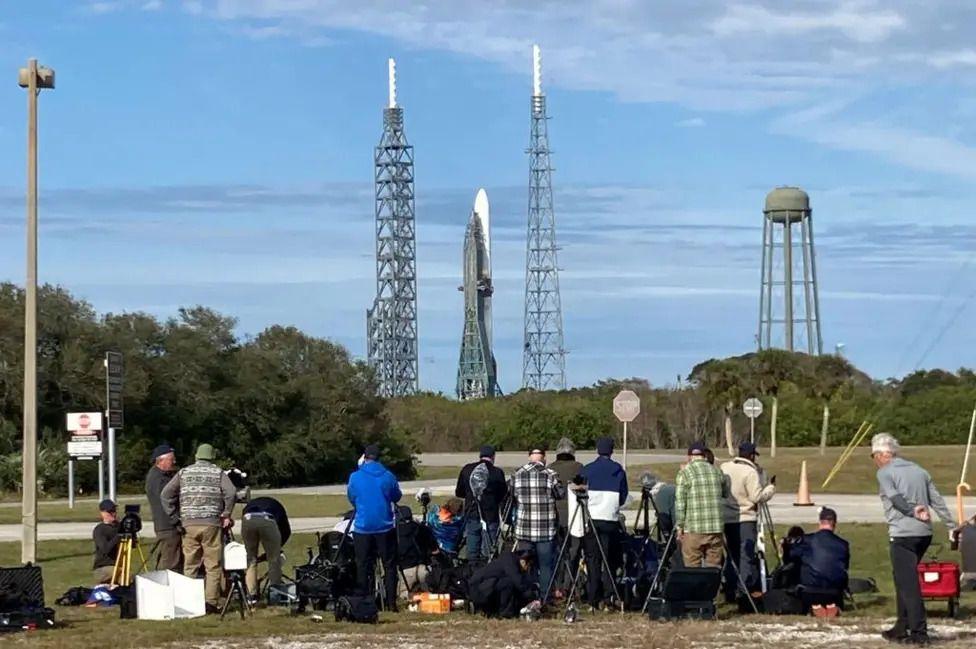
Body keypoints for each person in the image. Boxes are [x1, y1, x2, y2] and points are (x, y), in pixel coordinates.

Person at [871, 433, 956, 644]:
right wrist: (951, 525)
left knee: (909, 586)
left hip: (903, 534)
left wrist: (911, 511)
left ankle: (919, 633)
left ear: (882, 455)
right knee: (902, 577)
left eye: (874, 456)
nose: (874, 461)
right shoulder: (919, 470)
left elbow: (896, 499)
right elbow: (936, 500)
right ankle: (901, 626)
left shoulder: (885, 473)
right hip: (924, 534)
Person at [160, 443, 237, 610]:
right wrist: (226, 513)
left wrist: (174, 517)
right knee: (212, 565)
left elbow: (165, 495)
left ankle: (189, 602)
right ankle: (210, 602)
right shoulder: (218, 472)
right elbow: (231, 492)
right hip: (211, 524)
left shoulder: (183, 472)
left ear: (196, 456)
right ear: (212, 457)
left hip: (188, 524)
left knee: (190, 564)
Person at [347, 443, 403, 611]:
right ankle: (391, 602)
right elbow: (396, 496)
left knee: (363, 564)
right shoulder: (387, 476)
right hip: (384, 526)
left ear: (364, 458)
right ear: (379, 458)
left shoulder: (355, 477)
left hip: (363, 527)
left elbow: (352, 497)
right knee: (389, 565)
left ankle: (365, 600)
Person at [721, 441, 776, 601]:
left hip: (728, 518)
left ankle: (730, 588)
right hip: (745, 518)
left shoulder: (725, 468)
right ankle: (743, 590)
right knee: (746, 555)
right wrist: (770, 488)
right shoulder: (750, 472)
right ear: (752, 456)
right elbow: (756, 497)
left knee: (732, 555)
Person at [579, 436, 628, 608]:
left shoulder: (588, 470)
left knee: (593, 559)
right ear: (611, 451)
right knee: (609, 559)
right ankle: (609, 596)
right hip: (610, 519)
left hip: (592, 519)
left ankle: (593, 597)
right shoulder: (618, 470)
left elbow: (579, 493)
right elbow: (623, 496)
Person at [511, 446, 565, 600]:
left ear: (529, 457)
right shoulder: (551, 475)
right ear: (544, 458)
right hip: (545, 529)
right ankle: (545, 597)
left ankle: (526, 595)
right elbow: (560, 494)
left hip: (524, 528)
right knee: (546, 565)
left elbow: (512, 495)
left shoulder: (517, 474)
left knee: (525, 564)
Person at [674, 442, 726, 569]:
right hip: (715, 528)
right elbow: (725, 493)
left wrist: (679, 525)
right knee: (714, 567)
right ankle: (712, 588)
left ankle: (696, 589)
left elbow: (680, 502)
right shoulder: (717, 471)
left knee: (692, 567)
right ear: (704, 455)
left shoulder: (685, 473)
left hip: (694, 528)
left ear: (689, 457)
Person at [455, 445, 507, 561]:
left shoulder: (467, 469)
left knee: (472, 547)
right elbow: (503, 494)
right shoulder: (497, 472)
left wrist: (470, 495)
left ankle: (472, 570)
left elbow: (459, 492)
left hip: (471, 513)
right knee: (489, 550)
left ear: (480, 456)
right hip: (490, 515)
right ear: (493, 457)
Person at [793, 507, 850, 609]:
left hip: (810, 591)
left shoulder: (807, 540)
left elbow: (792, 556)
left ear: (820, 522)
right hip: (835, 592)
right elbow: (845, 567)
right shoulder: (843, 544)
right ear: (834, 524)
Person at [549, 437, 584, 590]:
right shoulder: (579, 467)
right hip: (574, 515)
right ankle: (570, 584)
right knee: (573, 550)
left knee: (557, 551)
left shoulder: (550, 468)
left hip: (555, 515)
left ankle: (557, 585)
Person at [467, 545, 538, 619]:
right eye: (529, 565)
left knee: (507, 584)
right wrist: (532, 597)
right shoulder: (510, 562)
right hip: (479, 590)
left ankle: (487, 608)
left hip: (483, 588)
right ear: (524, 561)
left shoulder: (509, 560)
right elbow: (519, 583)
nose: (527, 569)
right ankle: (505, 614)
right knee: (508, 583)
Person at [241, 496, 291, 598]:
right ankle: (275, 592)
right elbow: (286, 531)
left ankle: (251, 594)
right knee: (273, 559)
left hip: (247, 519)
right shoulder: (279, 508)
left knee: (251, 560)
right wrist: (277, 548)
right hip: (267, 519)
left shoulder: (250, 505)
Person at [145, 443, 182, 572]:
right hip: (168, 526)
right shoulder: (158, 479)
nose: (174, 462)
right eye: (171, 459)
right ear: (161, 461)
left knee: (171, 558)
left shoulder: (160, 476)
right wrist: (176, 519)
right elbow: (167, 499)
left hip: (167, 525)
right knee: (170, 563)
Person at [92, 499, 120, 584]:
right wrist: (119, 536)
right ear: (103, 513)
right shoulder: (99, 529)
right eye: (110, 511)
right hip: (103, 567)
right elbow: (105, 549)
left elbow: (132, 545)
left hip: (118, 564)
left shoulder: (119, 526)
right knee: (127, 577)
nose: (113, 514)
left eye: (114, 511)